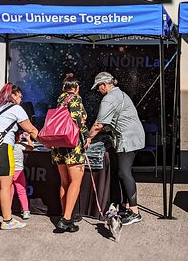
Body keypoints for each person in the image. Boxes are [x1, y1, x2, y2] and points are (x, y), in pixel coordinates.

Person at [85, 72, 145, 226]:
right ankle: (125, 207)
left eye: (99, 87)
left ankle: (135, 212)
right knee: (121, 172)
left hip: (128, 138)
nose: (98, 90)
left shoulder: (109, 98)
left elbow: (99, 125)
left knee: (124, 173)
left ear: (104, 85)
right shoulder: (120, 94)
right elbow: (109, 123)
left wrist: (88, 139)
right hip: (133, 136)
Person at [0, 83, 39, 230]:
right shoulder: (16, 109)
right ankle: (7, 220)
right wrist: (46, 142)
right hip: (3, 149)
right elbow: (30, 129)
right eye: (19, 96)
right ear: (12, 95)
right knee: (6, 186)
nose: (21, 99)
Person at [51, 73, 90, 233]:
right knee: (75, 182)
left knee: (65, 182)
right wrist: (86, 136)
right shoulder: (75, 99)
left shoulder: (60, 99)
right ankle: (66, 219)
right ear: (76, 87)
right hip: (72, 146)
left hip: (58, 145)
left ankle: (67, 213)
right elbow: (78, 120)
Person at [11, 130, 34, 220]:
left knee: (9, 191)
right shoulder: (20, 146)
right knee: (21, 191)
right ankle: (25, 211)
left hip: (10, 172)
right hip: (19, 171)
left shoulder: (9, 147)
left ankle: (7, 210)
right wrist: (28, 138)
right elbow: (31, 147)